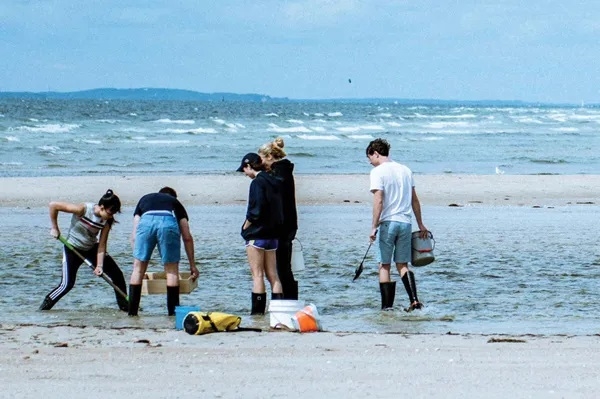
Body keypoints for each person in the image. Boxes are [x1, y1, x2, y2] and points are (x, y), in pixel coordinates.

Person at [366, 138, 429, 312]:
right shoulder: (405, 170)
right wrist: (421, 224)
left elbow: (378, 200)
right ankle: (414, 300)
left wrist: (373, 226)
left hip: (388, 223)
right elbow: (415, 200)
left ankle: (386, 308)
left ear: (375, 153)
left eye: (370, 158)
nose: (370, 162)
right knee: (402, 264)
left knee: (384, 265)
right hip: (405, 223)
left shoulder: (378, 172)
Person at [39, 189, 128, 311]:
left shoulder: (107, 221)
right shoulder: (83, 209)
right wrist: (55, 228)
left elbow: (102, 245)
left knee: (117, 275)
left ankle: (126, 309)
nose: (112, 215)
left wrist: (100, 266)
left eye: (114, 212)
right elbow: (53, 205)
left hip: (91, 248)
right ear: (102, 206)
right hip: (72, 248)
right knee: (67, 285)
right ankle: (43, 309)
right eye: (111, 211)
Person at [128, 187, 199, 316]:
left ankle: (132, 313)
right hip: (167, 223)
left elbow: (134, 235)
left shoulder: (144, 199)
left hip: (146, 222)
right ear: (173, 197)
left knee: (137, 270)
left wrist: (139, 261)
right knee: (171, 271)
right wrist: (192, 265)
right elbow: (187, 237)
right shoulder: (175, 202)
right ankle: (172, 314)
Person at [237, 152, 284, 314]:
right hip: (273, 234)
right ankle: (278, 312)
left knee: (257, 275)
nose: (245, 173)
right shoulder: (274, 180)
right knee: (273, 275)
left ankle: (257, 314)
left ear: (249, 166)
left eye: (244, 169)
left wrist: (245, 226)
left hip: (257, 233)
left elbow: (255, 210)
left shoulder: (257, 183)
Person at [258, 137, 299, 300]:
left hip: (282, 227)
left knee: (281, 269)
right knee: (283, 268)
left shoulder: (279, 173)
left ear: (269, 156)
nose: (261, 164)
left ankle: (287, 302)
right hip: (287, 225)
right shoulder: (283, 171)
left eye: (261, 159)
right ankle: (288, 301)